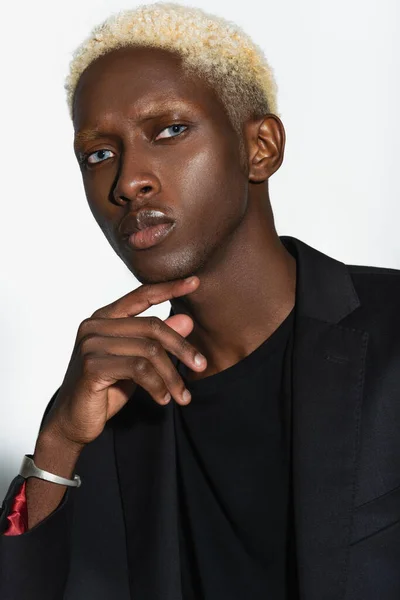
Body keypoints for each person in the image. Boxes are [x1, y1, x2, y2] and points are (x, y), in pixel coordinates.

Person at [1, 2, 400, 599]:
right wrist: (58, 439)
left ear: (260, 147)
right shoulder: (111, 415)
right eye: (99, 154)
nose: (128, 180)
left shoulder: (391, 332)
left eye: (169, 130)